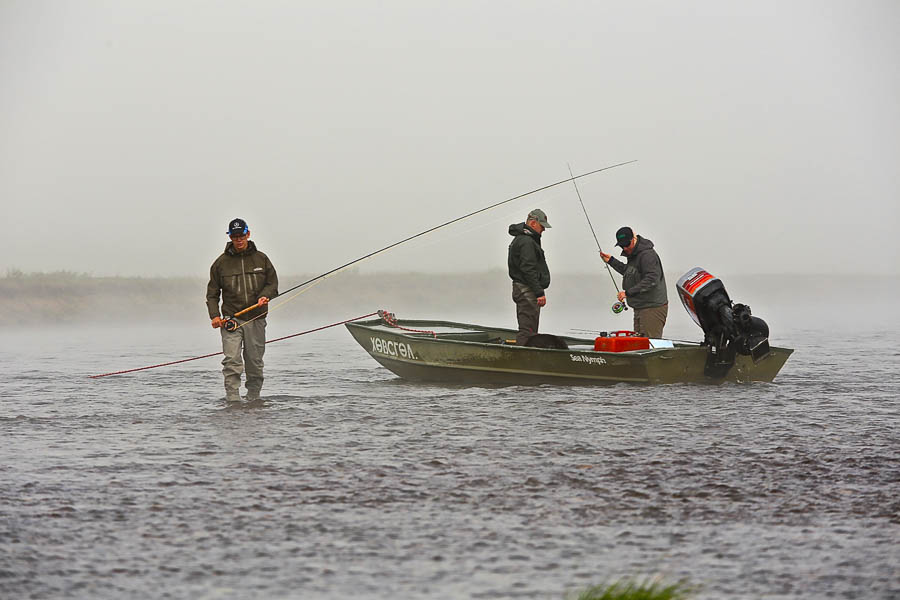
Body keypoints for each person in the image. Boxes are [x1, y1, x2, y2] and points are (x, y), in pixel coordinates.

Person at [206, 218, 278, 402]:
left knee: (254, 363)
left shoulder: (262, 258)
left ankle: (254, 400)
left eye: (242, 235)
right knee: (232, 361)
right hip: (231, 319)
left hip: (256, 318)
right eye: (235, 236)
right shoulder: (220, 264)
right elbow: (212, 294)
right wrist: (214, 316)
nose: (239, 239)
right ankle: (233, 402)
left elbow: (272, 284)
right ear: (230, 237)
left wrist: (265, 295)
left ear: (248, 234)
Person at [599, 226, 668, 338]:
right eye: (622, 245)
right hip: (640, 307)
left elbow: (652, 279)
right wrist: (611, 261)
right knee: (639, 343)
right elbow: (629, 273)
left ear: (634, 238)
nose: (625, 248)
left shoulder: (647, 255)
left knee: (649, 345)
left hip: (652, 308)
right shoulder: (633, 254)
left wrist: (627, 293)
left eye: (627, 244)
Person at [507, 209, 551, 345]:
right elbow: (528, 268)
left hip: (524, 289)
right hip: (526, 290)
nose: (543, 230)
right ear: (533, 223)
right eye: (542, 226)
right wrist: (539, 292)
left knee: (530, 329)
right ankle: (523, 360)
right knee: (527, 331)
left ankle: (526, 357)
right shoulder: (526, 241)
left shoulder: (526, 239)